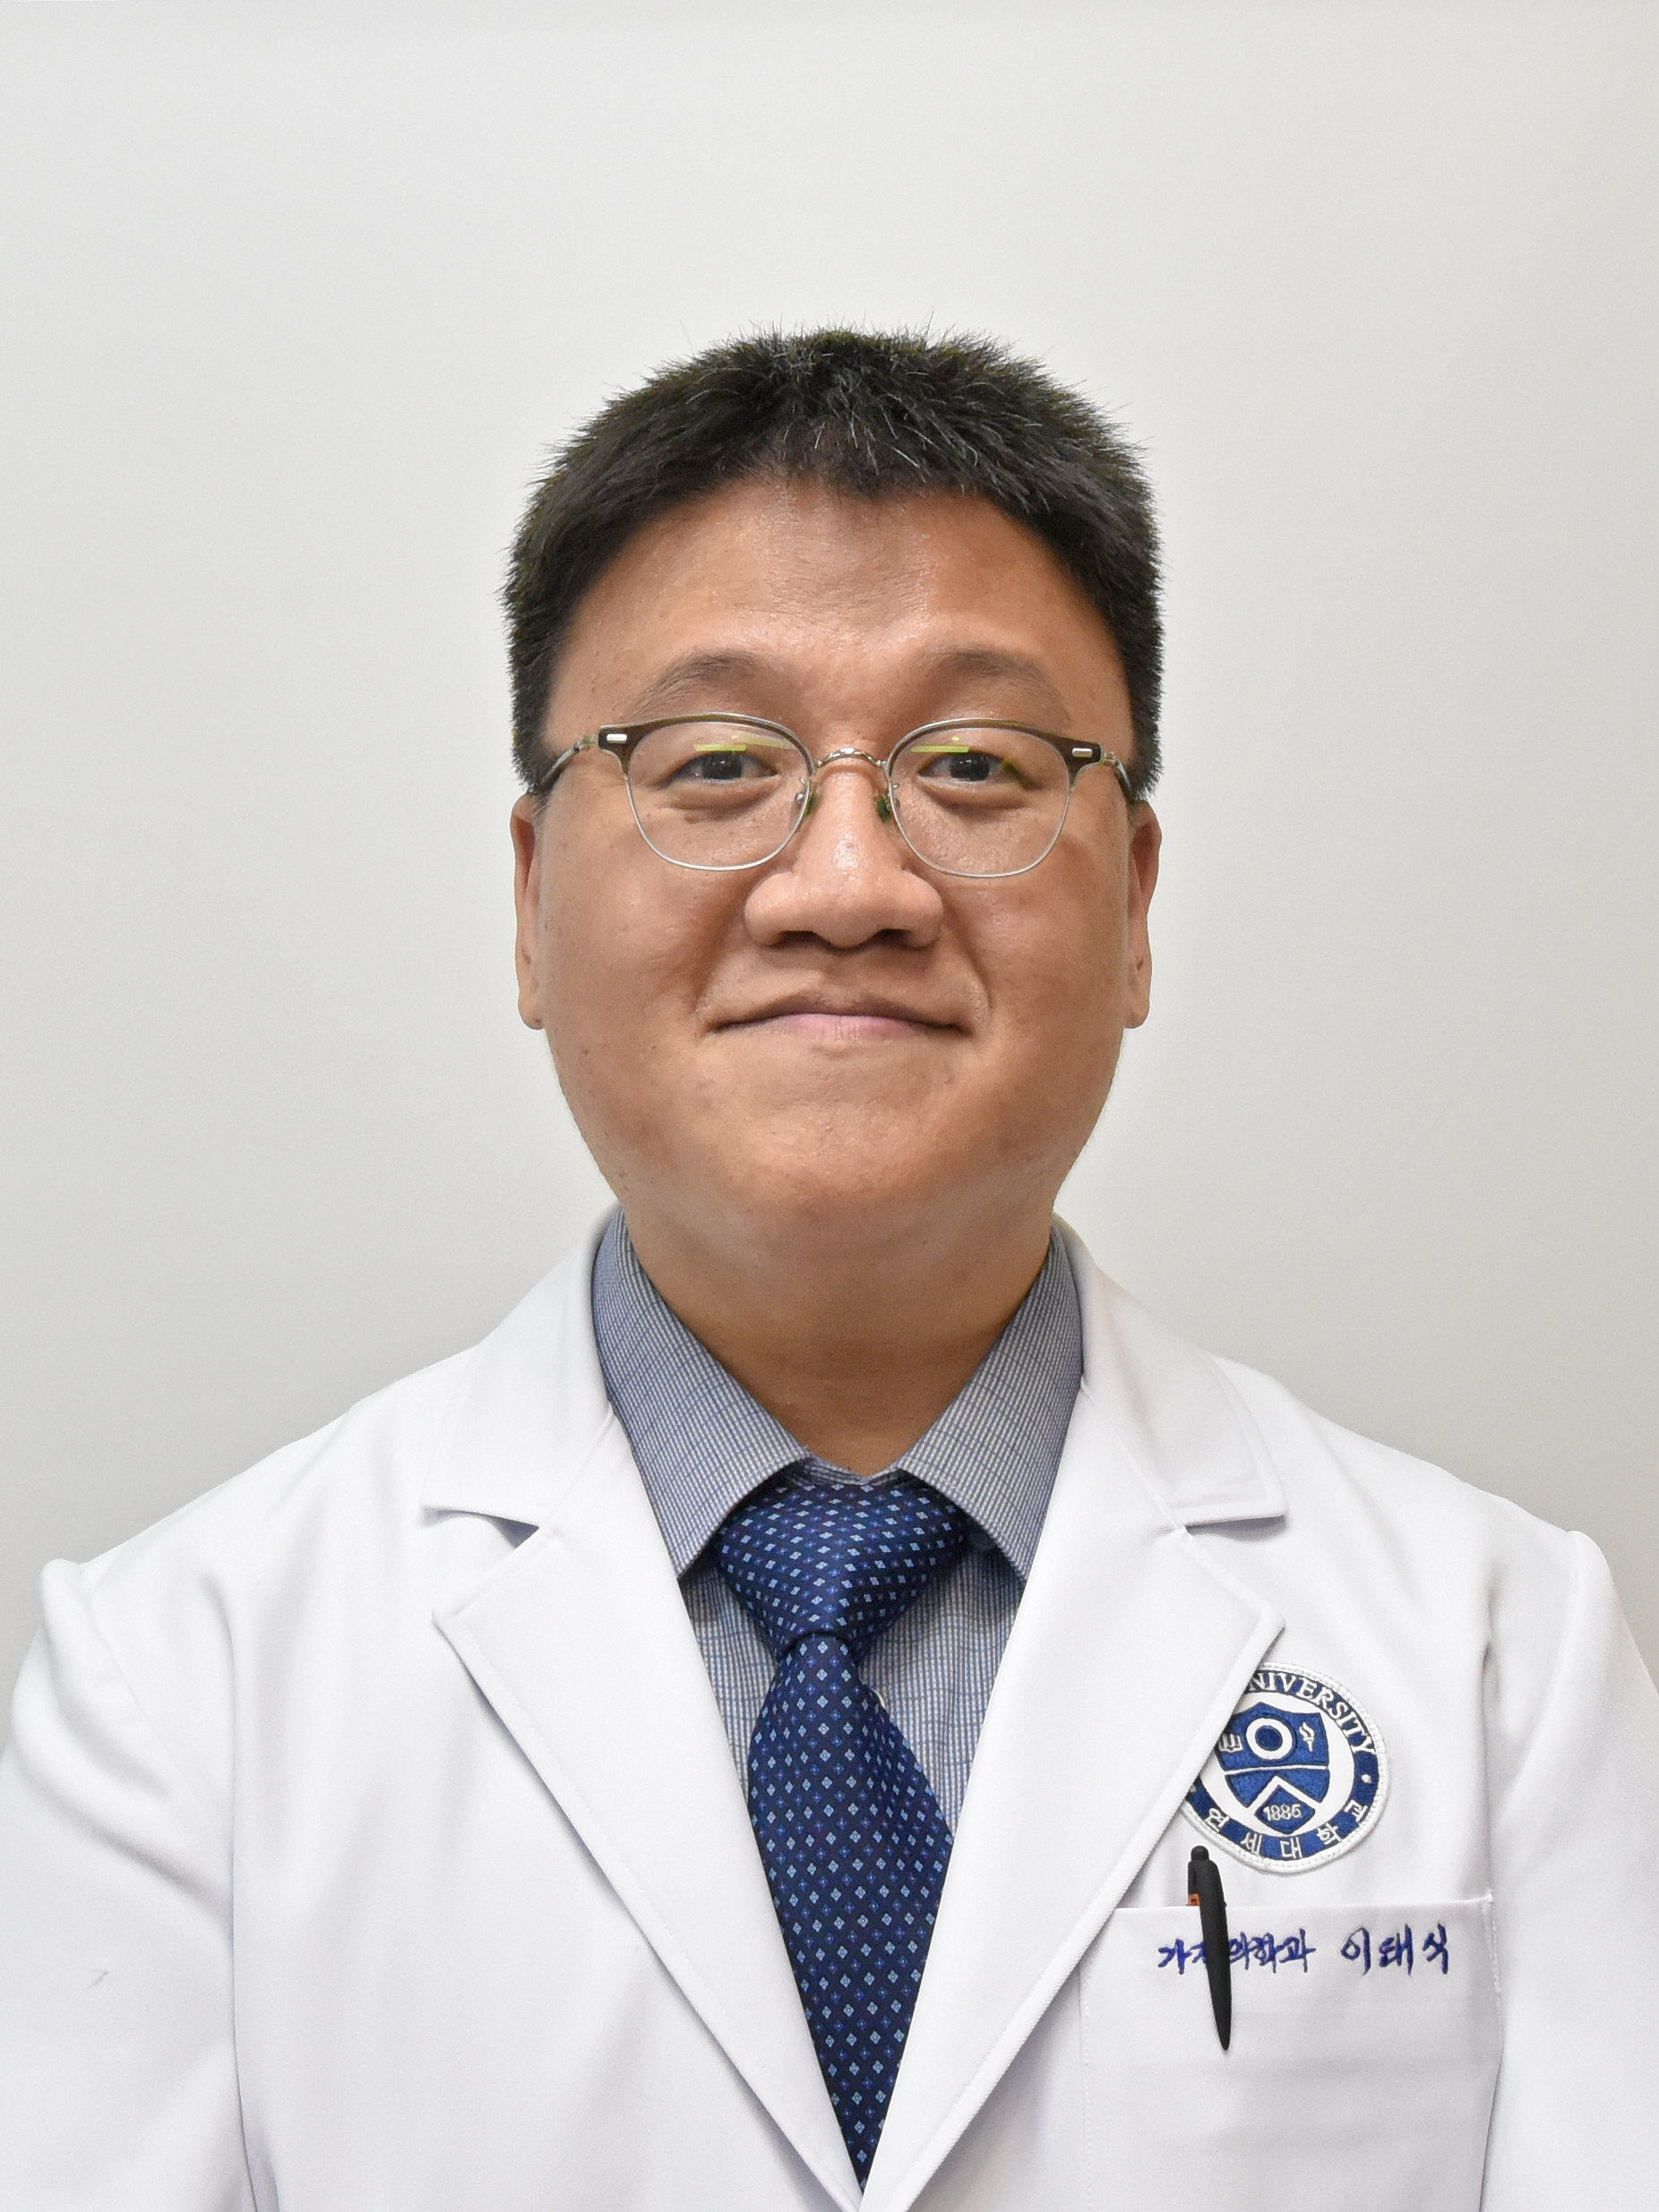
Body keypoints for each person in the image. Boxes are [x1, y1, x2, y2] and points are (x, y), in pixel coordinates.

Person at [0, 330, 1654, 2212]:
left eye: (974, 765)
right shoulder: (183, 1684)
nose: (849, 882)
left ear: (1134, 904)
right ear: (531, 898)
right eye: (716, 763)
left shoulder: (1498, 1657)